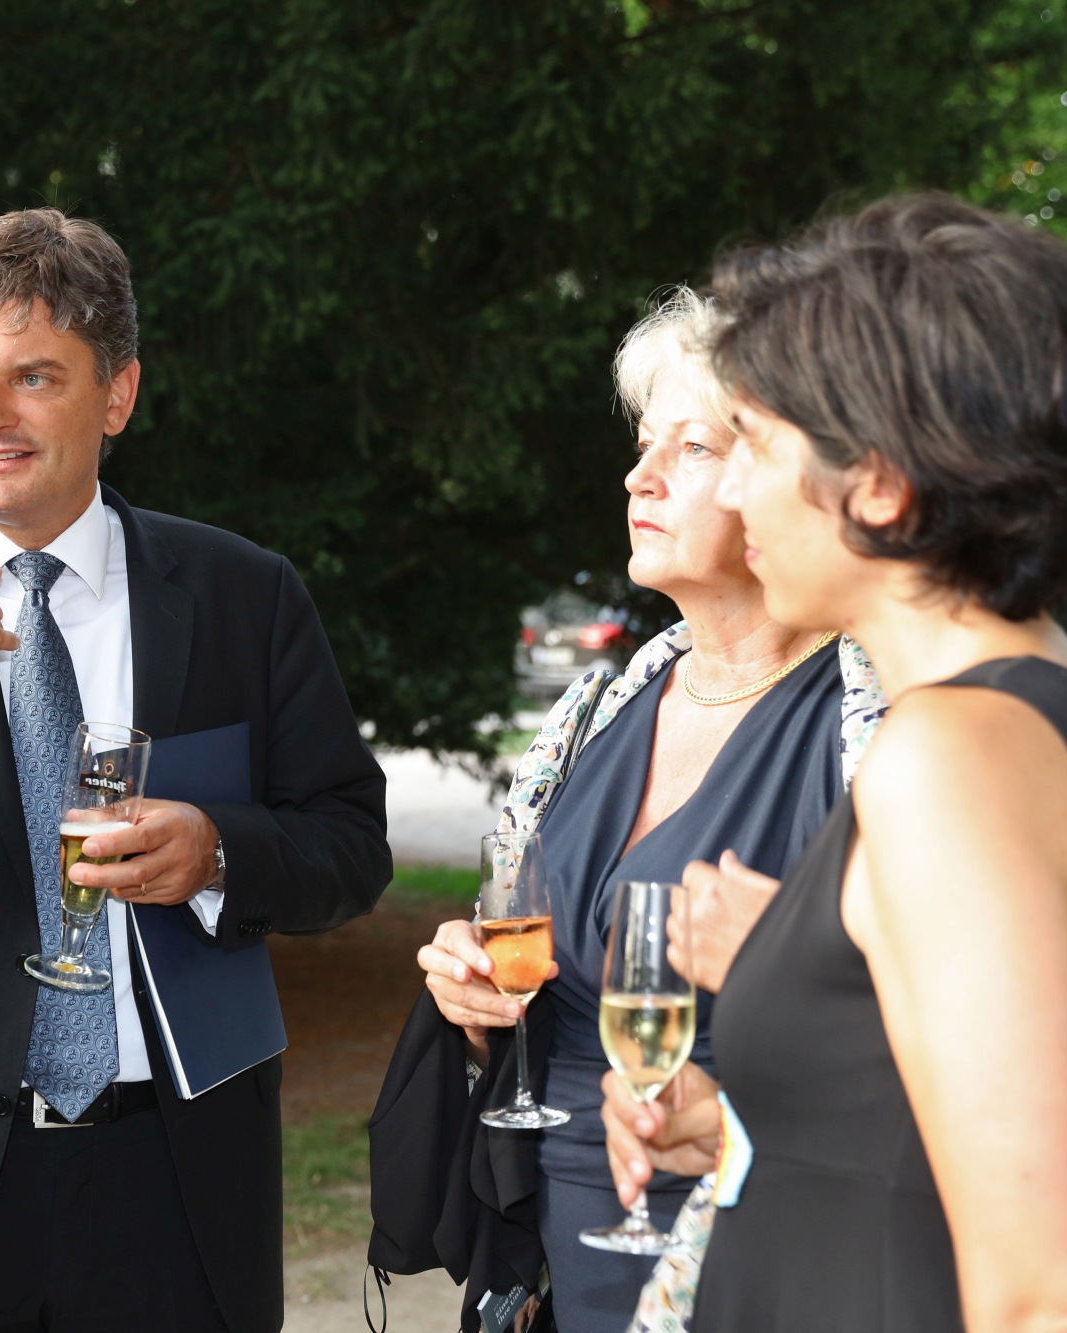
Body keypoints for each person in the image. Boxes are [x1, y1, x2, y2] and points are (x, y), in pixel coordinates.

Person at [0, 208, 389, 1333]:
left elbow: (348, 845)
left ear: (116, 394)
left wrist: (216, 852)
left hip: (178, 1183)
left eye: (31, 377)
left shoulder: (242, 594)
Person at [604, 193, 1067, 1333]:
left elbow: (1037, 1280)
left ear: (875, 486)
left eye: (751, 445)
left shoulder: (946, 756)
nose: (727, 488)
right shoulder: (1003, 728)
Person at [412, 288, 884, 1332]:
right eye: (639, 442)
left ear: (793, 478)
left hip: (772, 1252)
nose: (640, 474)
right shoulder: (596, 709)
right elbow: (531, 956)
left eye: (692, 444)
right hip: (559, 1241)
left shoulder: (880, 727)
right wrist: (472, 997)